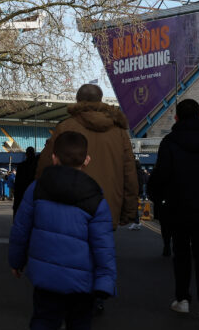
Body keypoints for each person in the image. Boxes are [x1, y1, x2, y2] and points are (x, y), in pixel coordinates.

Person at [8, 131, 116, 330]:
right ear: (87, 160)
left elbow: (21, 229)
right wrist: (105, 281)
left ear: (54, 158)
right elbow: (103, 246)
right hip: (83, 280)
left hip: (45, 275)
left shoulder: (37, 189)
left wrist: (17, 260)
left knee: (44, 318)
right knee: (79, 326)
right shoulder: (96, 198)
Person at [148, 99, 199, 321]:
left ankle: (183, 300)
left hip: (178, 207)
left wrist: (157, 198)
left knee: (181, 253)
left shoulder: (170, 142)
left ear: (177, 117)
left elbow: (161, 175)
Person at [35, 84, 138, 230]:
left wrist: (38, 200)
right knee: (103, 249)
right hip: (107, 207)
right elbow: (129, 174)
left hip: (69, 205)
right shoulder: (119, 132)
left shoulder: (65, 127)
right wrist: (129, 211)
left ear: (78, 100)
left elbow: (44, 168)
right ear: (100, 100)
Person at [13, 147, 38, 213]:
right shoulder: (38, 167)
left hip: (22, 195)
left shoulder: (21, 166)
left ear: (26, 154)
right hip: (35, 196)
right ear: (34, 154)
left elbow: (17, 184)